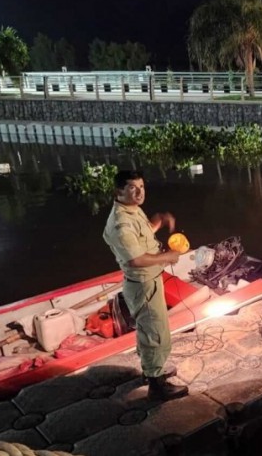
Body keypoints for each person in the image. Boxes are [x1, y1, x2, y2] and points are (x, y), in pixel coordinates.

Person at [102, 170, 188, 401]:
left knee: (149, 329)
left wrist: (158, 219)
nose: (139, 192)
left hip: (149, 279)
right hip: (143, 283)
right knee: (155, 333)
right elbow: (135, 259)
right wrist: (168, 257)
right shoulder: (120, 224)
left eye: (141, 186)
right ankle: (157, 385)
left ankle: (151, 371)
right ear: (118, 191)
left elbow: (143, 234)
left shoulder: (131, 209)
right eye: (132, 187)